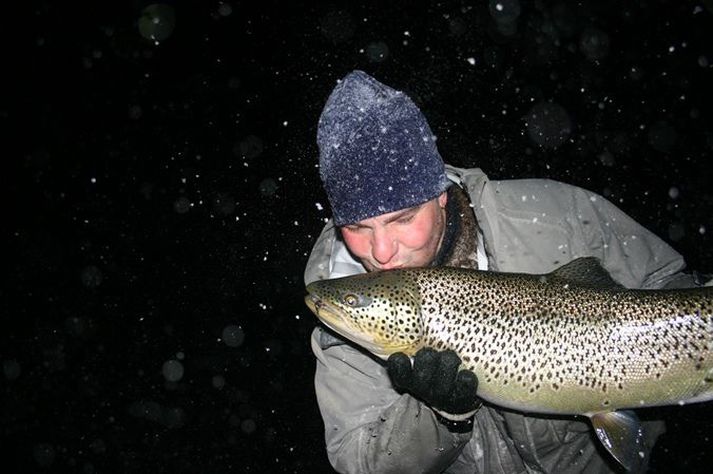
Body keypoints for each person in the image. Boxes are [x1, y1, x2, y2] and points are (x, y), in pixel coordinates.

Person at [304, 70, 704, 473]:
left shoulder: (556, 217)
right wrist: (441, 418)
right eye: (357, 228)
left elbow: (670, 281)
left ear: (440, 195)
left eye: (404, 219)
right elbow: (360, 461)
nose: (382, 251)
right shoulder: (343, 337)